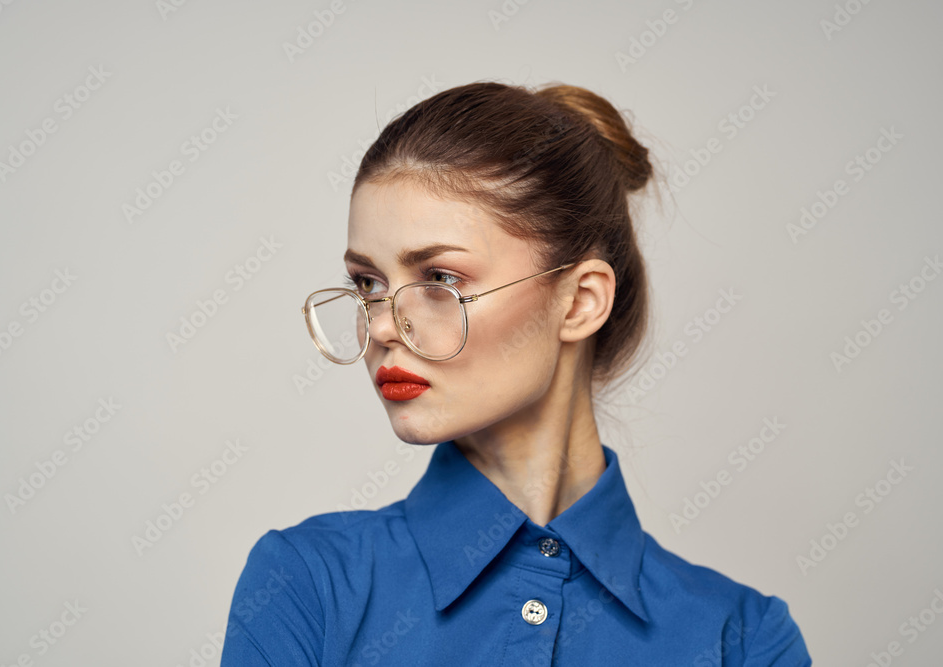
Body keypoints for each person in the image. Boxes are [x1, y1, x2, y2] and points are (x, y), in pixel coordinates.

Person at [219, 80, 812, 665]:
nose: (379, 327)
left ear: (579, 302)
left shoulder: (742, 639)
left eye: (440, 280)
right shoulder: (309, 585)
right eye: (369, 284)